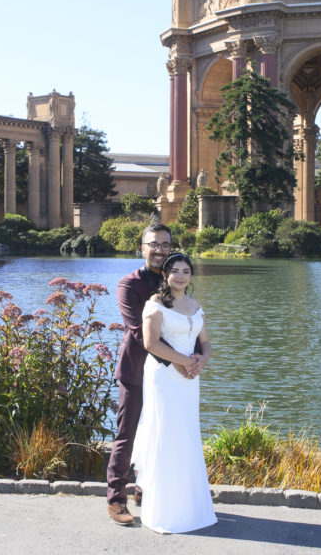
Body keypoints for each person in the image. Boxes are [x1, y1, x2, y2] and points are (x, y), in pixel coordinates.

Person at [106, 224, 204, 526]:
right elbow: (139, 333)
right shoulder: (129, 284)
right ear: (142, 247)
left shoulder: (176, 280)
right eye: (154, 244)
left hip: (172, 378)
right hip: (137, 369)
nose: (160, 249)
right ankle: (116, 498)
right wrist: (180, 361)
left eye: (165, 244)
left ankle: (147, 489)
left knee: (163, 431)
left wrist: (198, 357)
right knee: (128, 433)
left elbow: (191, 323)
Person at [132, 252, 216, 533]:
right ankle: (164, 509)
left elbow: (205, 343)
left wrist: (200, 362)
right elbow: (150, 343)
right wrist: (183, 362)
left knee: (187, 434)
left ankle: (191, 507)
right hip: (164, 377)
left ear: (191, 276)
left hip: (190, 379)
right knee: (165, 432)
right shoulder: (155, 304)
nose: (181, 276)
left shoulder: (196, 305)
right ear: (166, 275)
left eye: (186, 271)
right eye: (175, 271)